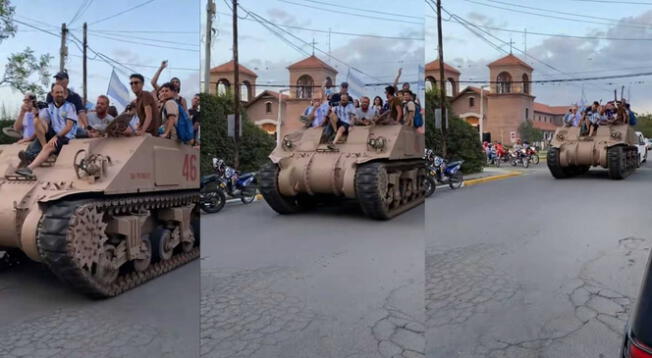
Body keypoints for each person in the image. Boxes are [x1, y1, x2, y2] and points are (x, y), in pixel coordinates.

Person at [15, 85, 77, 178]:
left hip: (65, 136)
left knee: (49, 146)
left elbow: (69, 127)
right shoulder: (49, 107)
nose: (60, 94)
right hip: (53, 133)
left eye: (61, 92)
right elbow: (42, 124)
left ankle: (29, 168)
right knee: (37, 121)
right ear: (52, 94)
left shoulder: (70, 107)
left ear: (64, 94)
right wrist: (36, 113)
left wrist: (56, 137)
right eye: (57, 92)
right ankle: (40, 151)